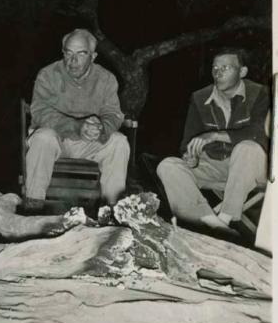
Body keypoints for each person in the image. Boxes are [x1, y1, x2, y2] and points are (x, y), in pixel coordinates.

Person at [156, 48, 269, 234]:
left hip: (252, 170)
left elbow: (260, 133)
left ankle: (225, 218)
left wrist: (215, 135)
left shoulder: (261, 94)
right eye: (215, 68)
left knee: (247, 148)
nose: (218, 73)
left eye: (226, 67)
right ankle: (211, 223)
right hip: (216, 169)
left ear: (242, 72)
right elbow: (187, 143)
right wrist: (191, 157)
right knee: (167, 165)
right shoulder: (200, 98)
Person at [25, 28, 130, 207]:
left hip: (90, 143)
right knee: (42, 138)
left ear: (93, 56)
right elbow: (41, 112)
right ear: (63, 53)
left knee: (119, 142)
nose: (73, 61)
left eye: (81, 54)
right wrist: (76, 126)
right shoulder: (48, 75)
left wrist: (101, 128)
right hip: (58, 141)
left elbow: (113, 113)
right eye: (68, 53)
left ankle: (114, 210)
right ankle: (33, 204)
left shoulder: (106, 79)